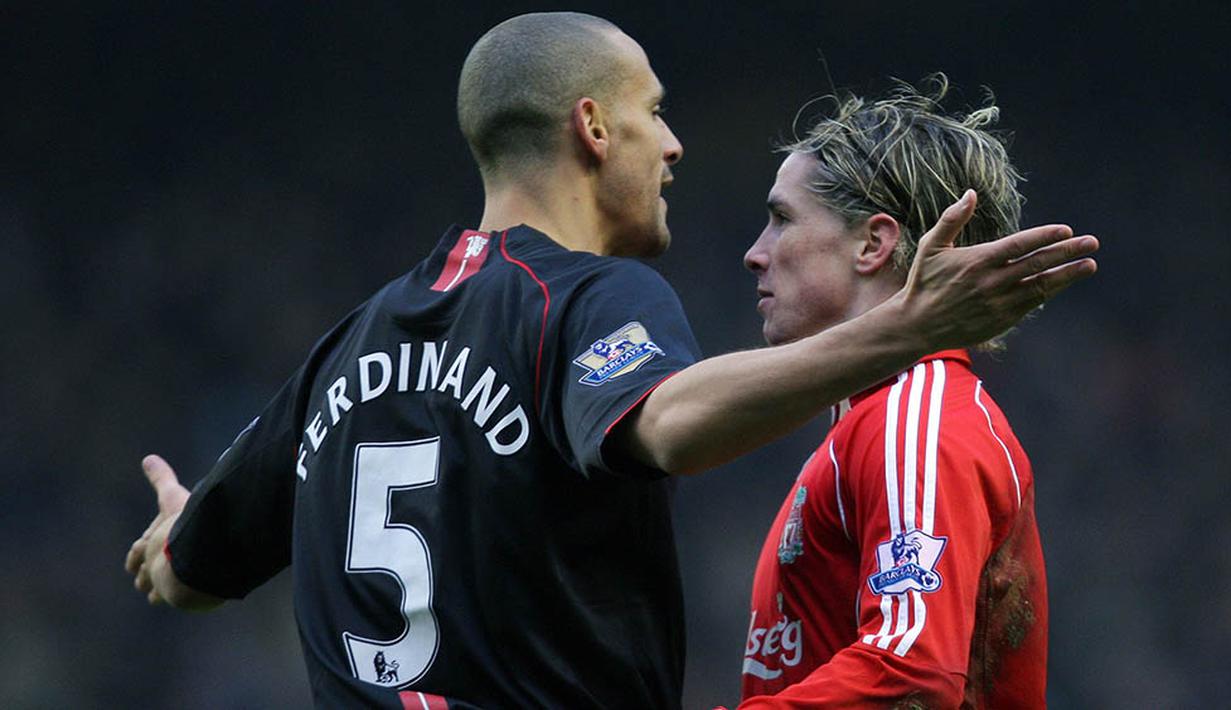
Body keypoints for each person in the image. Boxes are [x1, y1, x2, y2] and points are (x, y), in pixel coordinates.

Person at [125, 13, 1096, 709]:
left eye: (777, 219)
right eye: (655, 111)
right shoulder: (588, 299)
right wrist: (905, 327)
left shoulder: (345, 349)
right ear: (593, 127)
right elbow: (665, 423)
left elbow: (186, 571)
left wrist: (178, 535)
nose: (674, 144)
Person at [739, 77, 1053, 707]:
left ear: (872, 244)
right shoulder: (872, 418)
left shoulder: (915, 420)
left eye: (781, 219)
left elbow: (912, 673)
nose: (755, 253)